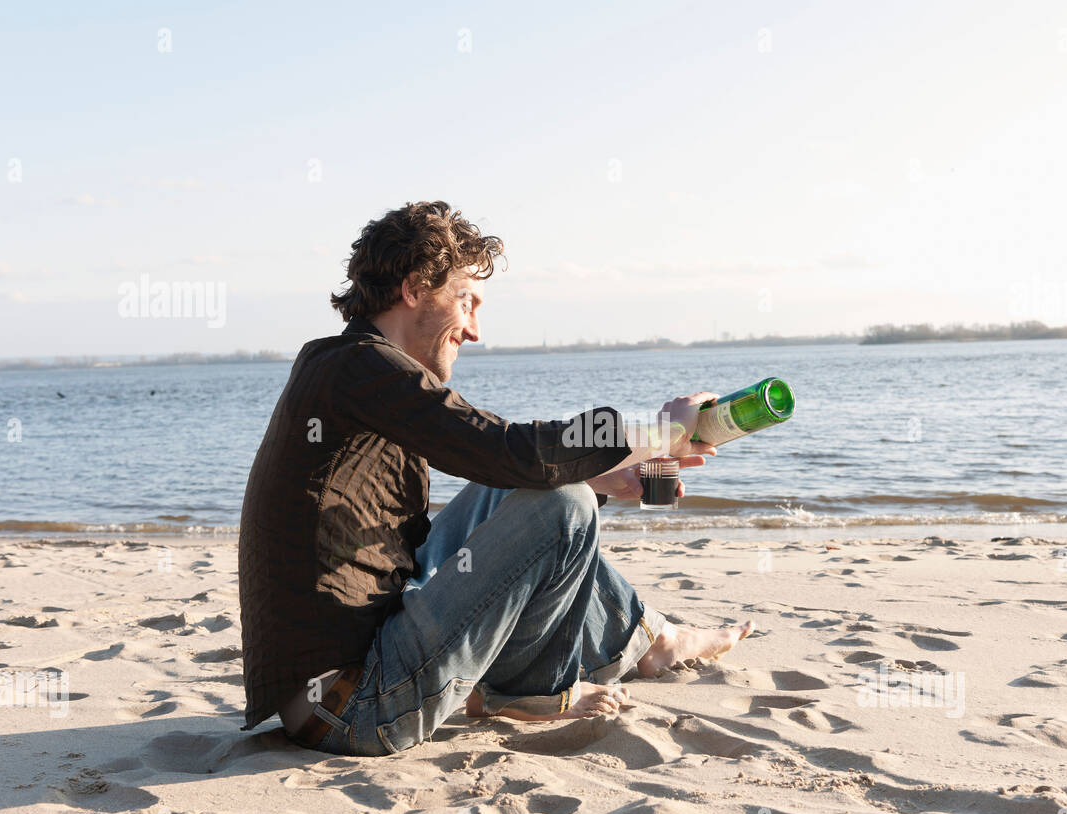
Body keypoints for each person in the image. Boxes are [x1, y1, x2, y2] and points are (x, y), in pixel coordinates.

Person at [238, 201, 753, 756]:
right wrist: (653, 432)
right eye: (466, 303)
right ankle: (523, 692)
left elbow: (499, 473)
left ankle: (653, 641)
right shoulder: (358, 368)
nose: (476, 331)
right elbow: (504, 448)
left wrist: (610, 479)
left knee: (542, 492)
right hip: (356, 707)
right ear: (413, 289)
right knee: (563, 505)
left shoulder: (343, 367)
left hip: (330, 691)